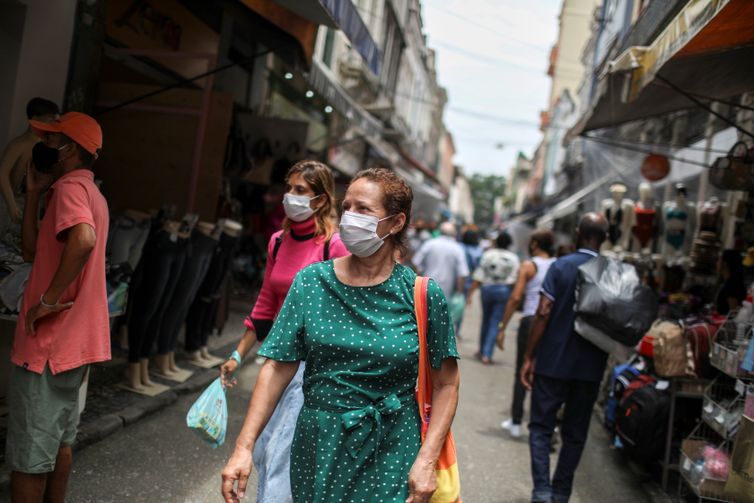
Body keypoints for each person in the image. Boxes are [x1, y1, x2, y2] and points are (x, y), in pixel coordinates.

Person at [221, 168, 460, 503]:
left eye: (363, 209)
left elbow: (447, 383)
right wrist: (243, 448)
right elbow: (277, 367)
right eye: (346, 206)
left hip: (390, 448)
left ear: (395, 222)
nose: (350, 216)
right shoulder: (311, 282)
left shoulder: (421, 294)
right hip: (317, 446)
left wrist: (427, 459)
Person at [219, 160, 348, 502]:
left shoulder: (333, 246)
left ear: (320, 200)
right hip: (277, 362)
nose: (291, 196)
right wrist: (237, 353)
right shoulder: (278, 241)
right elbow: (265, 303)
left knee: (280, 454)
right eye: (289, 188)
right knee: (262, 450)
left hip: (311, 368)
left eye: (301, 191)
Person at [7, 112, 108, 503]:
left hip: (47, 347)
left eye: (52, 141)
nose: (44, 147)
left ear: (70, 151)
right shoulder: (87, 191)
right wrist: (33, 193)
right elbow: (32, 251)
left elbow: (82, 239)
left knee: (30, 455)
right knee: (60, 441)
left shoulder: (69, 191)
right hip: (72, 345)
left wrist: (48, 301)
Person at [520, 213, 609, 503]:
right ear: (604, 238)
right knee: (575, 433)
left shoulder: (561, 266)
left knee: (541, 428)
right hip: (591, 367)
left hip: (553, 362)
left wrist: (529, 356)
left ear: (578, 234)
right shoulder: (610, 270)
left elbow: (543, 313)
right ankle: (561, 493)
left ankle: (542, 491)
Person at [497, 229, 555, 438]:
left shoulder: (529, 266)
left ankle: (516, 421)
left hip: (530, 320)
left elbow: (515, 298)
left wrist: (502, 326)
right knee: (542, 373)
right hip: (550, 323)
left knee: (521, 369)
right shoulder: (558, 266)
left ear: (534, 245)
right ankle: (546, 425)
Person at [0, 98, 59, 232]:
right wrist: (11, 205)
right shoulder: (19, 144)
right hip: (12, 201)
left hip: (33, 205)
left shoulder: (48, 147)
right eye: (50, 119)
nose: (53, 124)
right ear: (35, 119)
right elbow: (2, 173)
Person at [467, 231, 520, 364]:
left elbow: (479, 275)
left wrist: (471, 293)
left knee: (485, 319)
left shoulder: (488, 255)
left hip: (487, 289)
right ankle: (487, 354)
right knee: (495, 321)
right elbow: (515, 278)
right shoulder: (513, 258)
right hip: (503, 290)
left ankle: (481, 349)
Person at [412, 221, 469, 300]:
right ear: (454, 233)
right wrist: (459, 294)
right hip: (446, 293)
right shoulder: (457, 249)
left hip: (426, 288)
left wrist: (419, 278)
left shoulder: (429, 244)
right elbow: (462, 274)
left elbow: (416, 262)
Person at [716, 249, 747, 315]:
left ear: (725, 263)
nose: (717, 262)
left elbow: (733, 313)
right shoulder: (730, 283)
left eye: (719, 259)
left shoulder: (732, 285)